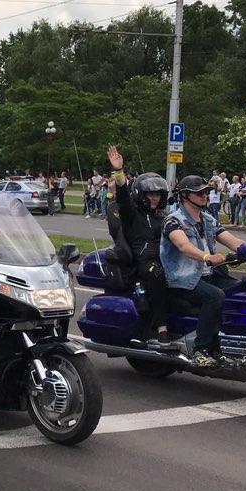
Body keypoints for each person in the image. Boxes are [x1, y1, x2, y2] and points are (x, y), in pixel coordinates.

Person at [161, 175, 246, 367]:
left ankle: (228, 344)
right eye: (199, 192)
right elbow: (183, 245)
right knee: (215, 297)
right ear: (185, 196)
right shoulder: (173, 220)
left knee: (242, 290)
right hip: (182, 278)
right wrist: (207, 257)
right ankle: (201, 350)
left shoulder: (208, 220)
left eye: (206, 191)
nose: (205, 195)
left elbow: (234, 242)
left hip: (209, 275)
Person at [107, 146, 171, 346]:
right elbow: (123, 198)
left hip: (165, 257)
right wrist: (119, 171)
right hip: (144, 261)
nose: (155, 198)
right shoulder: (132, 215)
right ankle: (162, 328)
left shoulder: (164, 216)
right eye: (150, 194)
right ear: (141, 195)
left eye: (158, 194)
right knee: (156, 273)